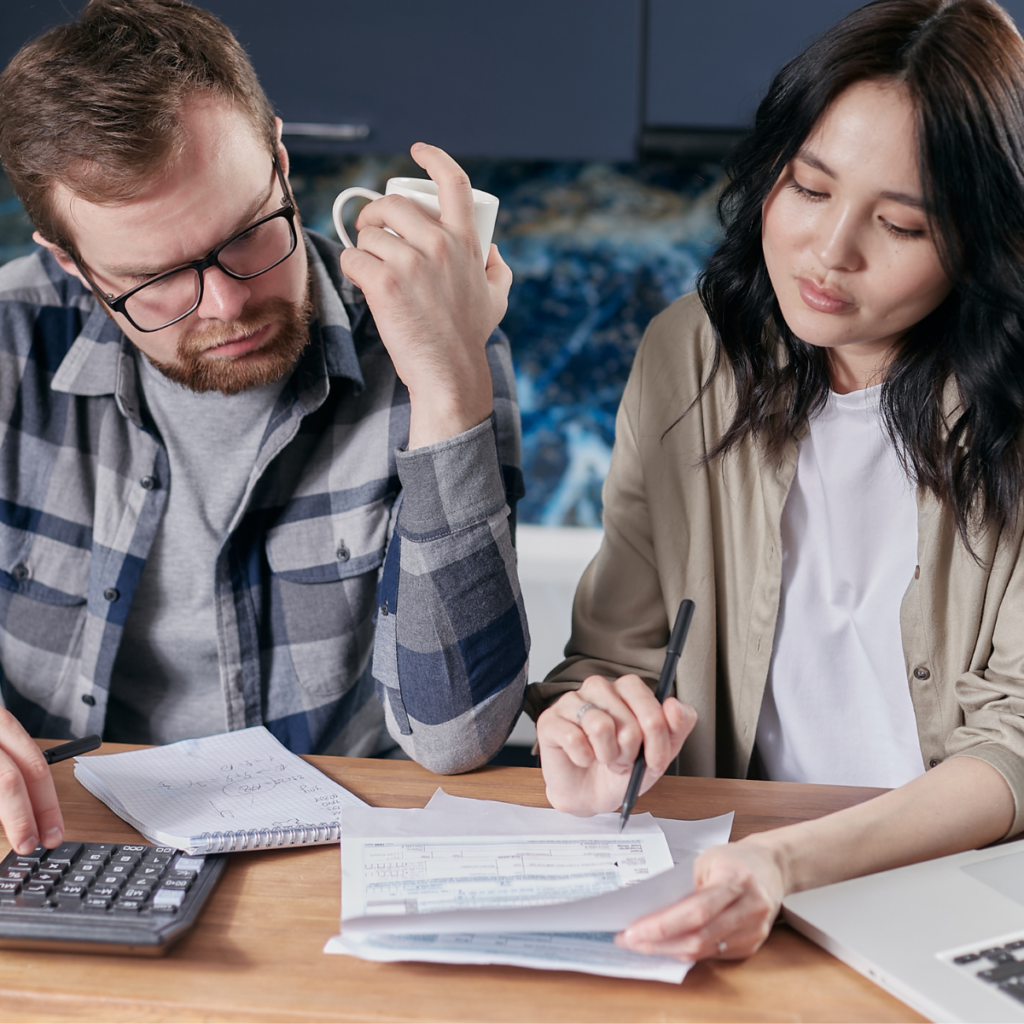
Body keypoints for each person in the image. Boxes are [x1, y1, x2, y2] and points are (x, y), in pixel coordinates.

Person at [527, 0, 1024, 963]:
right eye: (807, 187)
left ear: (982, 241)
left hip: (961, 901)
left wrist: (791, 862)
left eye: (900, 224)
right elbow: (612, 657)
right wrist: (593, 740)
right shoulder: (689, 357)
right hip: (735, 887)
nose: (830, 253)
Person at [0, 0, 529, 856]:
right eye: (156, 280)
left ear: (280, 161)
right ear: (71, 264)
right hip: (67, 841)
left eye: (247, 235)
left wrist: (447, 379)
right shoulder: (10, 338)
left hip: (331, 851)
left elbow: (458, 734)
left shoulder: (429, 332)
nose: (229, 303)